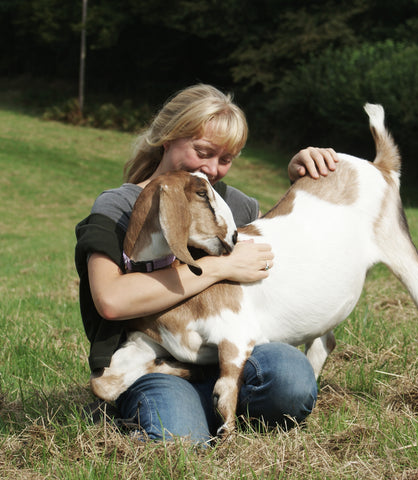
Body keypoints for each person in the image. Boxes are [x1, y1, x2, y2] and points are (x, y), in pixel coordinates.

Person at [75, 83, 339, 444]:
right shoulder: (119, 207)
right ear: (168, 138)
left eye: (226, 159)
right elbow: (111, 300)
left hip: (235, 355)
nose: (212, 168)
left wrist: (300, 182)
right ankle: (172, 409)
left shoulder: (239, 207)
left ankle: (219, 404)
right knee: (176, 438)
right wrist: (218, 267)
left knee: (290, 381)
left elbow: (285, 259)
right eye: (203, 151)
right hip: (155, 366)